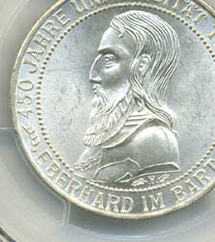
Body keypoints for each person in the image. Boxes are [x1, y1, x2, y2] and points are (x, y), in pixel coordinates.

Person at [75, 10, 181, 186]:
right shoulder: (104, 137)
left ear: (141, 66)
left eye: (109, 59)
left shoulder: (156, 139)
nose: (93, 75)